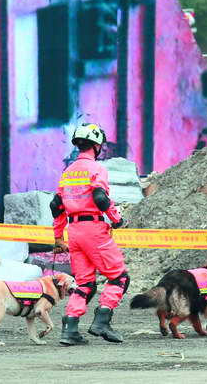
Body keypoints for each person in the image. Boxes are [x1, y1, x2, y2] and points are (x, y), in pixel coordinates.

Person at [52, 123, 128, 346]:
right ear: (97, 145)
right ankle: (102, 321)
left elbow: (56, 205)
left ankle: (70, 329)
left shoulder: (67, 172)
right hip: (93, 230)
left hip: (73, 232)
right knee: (119, 277)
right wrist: (116, 219)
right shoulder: (97, 169)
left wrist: (58, 237)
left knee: (85, 283)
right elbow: (101, 198)